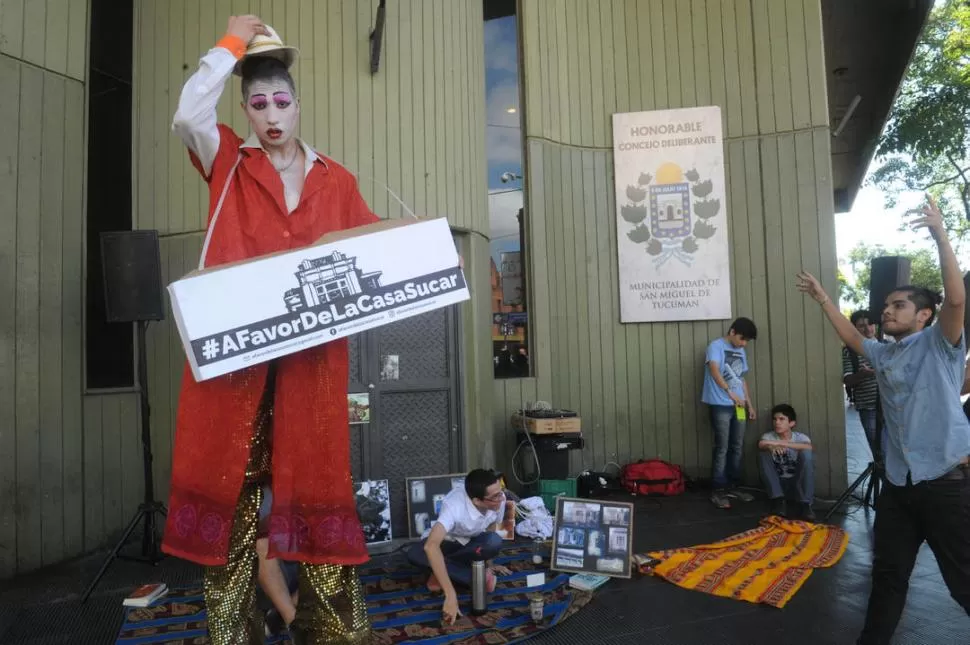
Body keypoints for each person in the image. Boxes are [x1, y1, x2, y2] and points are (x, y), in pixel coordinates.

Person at [161, 16, 381, 644]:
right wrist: (230, 45)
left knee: (316, 501)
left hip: (310, 372)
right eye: (258, 104)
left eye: (281, 101)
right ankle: (233, 636)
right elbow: (186, 116)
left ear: (299, 105)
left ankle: (335, 636)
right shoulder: (228, 161)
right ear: (247, 112)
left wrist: (411, 238)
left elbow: (371, 249)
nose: (271, 113)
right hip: (233, 375)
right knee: (229, 509)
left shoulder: (337, 180)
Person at [795, 196, 970, 645]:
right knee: (888, 578)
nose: (886, 311)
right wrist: (822, 299)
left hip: (945, 484)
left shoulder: (941, 344)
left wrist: (939, 234)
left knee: (963, 583)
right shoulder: (883, 352)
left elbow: (956, 298)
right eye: (886, 306)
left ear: (923, 316)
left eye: (898, 306)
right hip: (899, 486)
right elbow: (852, 335)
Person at [406, 469, 513, 625]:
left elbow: (490, 526)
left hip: (472, 544)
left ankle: (441, 570)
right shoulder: (454, 505)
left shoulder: (499, 499)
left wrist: (489, 564)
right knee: (415, 554)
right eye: (495, 496)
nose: (502, 498)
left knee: (494, 541)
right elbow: (431, 546)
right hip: (448, 543)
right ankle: (471, 577)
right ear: (477, 501)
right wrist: (451, 595)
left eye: (501, 491)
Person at [701, 317, 759, 509]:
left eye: (747, 341)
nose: (743, 344)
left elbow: (741, 379)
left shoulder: (741, 351)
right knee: (722, 446)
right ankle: (718, 490)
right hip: (721, 404)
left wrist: (749, 404)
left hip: (739, 406)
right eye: (742, 339)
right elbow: (715, 370)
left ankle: (734, 486)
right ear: (732, 332)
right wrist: (729, 392)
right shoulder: (715, 346)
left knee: (737, 445)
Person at [757, 404, 815, 521]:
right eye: (775, 419)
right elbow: (761, 444)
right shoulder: (769, 436)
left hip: (797, 483)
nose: (777, 422)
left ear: (791, 423)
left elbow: (809, 447)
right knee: (763, 453)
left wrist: (783, 444)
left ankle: (805, 504)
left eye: (782, 419)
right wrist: (770, 447)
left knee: (807, 454)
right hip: (778, 483)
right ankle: (778, 501)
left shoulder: (800, 437)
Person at [842, 311, 880, 452]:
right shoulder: (849, 351)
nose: (868, 328)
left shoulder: (887, 346)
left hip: (892, 405)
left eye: (870, 324)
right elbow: (848, 380)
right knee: (875, 446)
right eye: (861, 325)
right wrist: (863, 374)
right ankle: (879, 471)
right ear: (854, 328)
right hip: (867, 406)